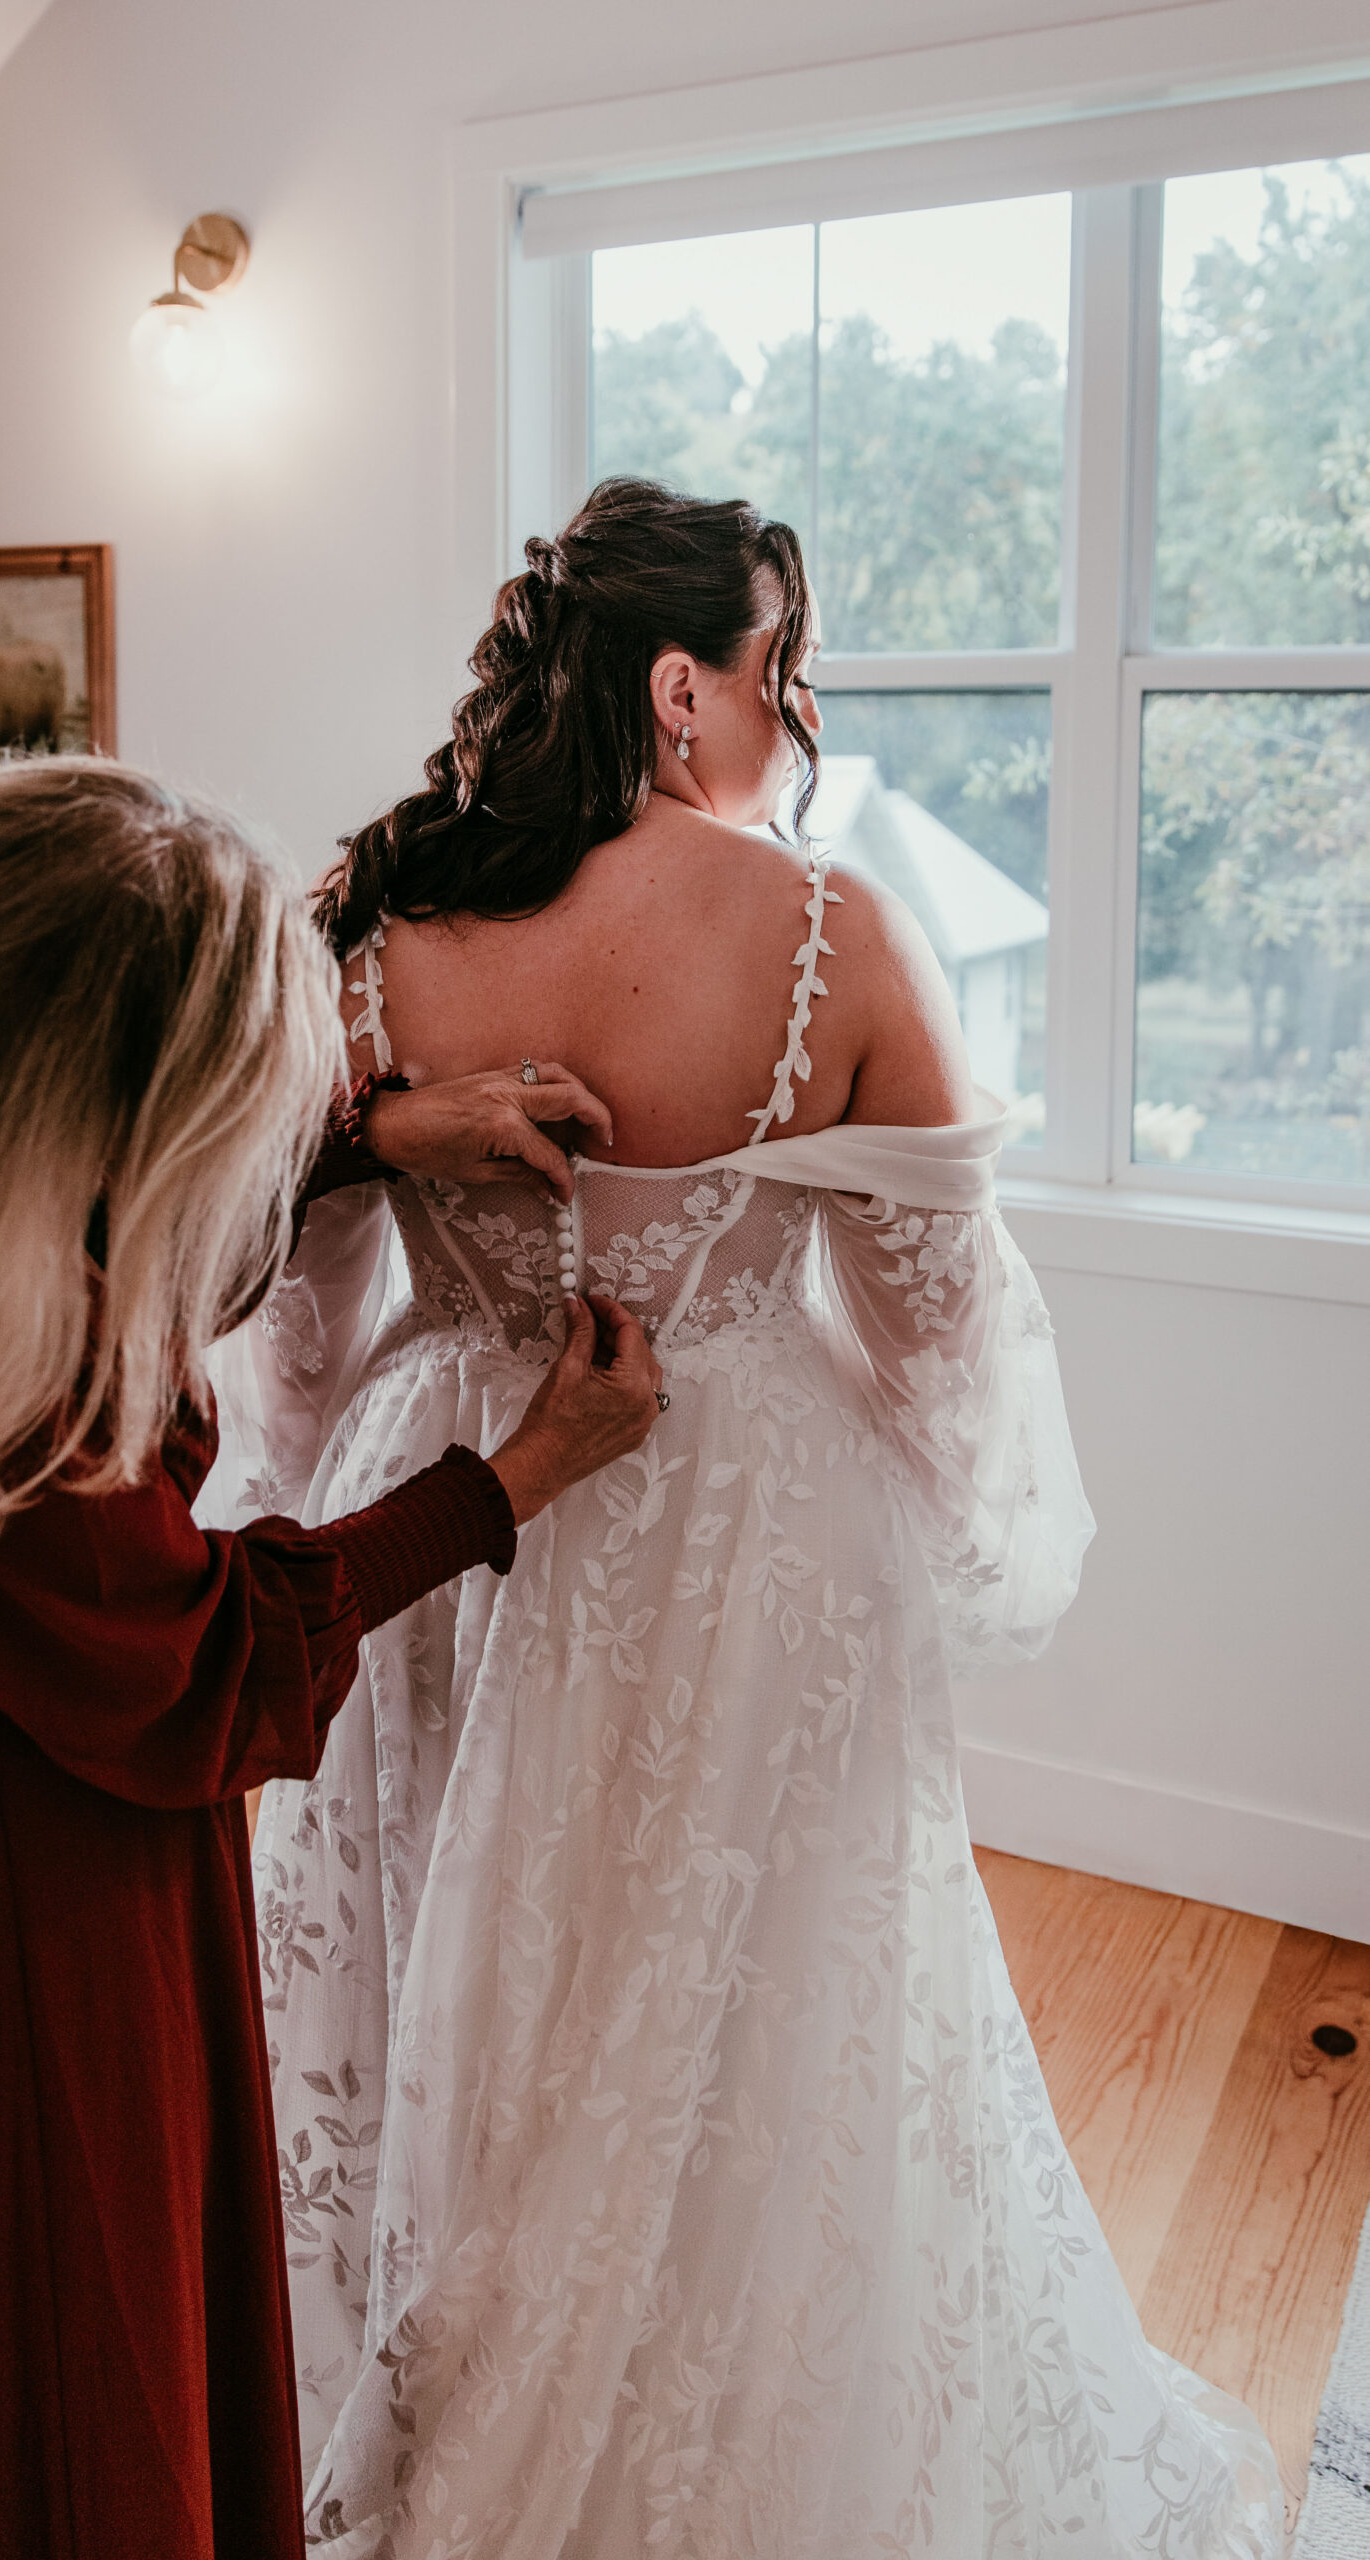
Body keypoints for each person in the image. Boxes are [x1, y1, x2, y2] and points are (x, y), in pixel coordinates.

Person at [205, 482, 1284, 2557]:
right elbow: (936, 1317)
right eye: (783, 672)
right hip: (730, 1526)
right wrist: (951, 1503)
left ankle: (398, 2391)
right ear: (676, 680)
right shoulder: (826, 934)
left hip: (448, 1507)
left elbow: (301, 1319)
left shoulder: (369, 901)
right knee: (728, 2011)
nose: (798, 728)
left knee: (459, 1951)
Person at [0, 756, 662, 2560]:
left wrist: (362, 1137)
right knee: (70, 2343)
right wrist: (509, 1478)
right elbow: (208, 1662)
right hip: (11, 1886)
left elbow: (75, 1218)